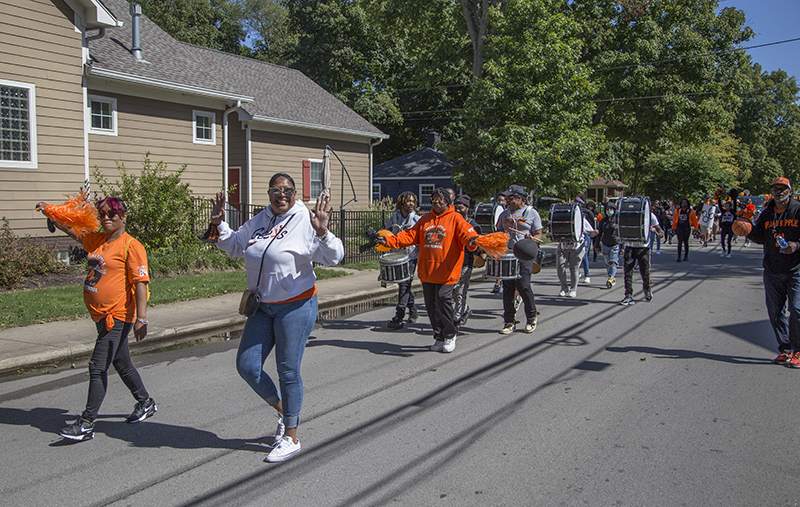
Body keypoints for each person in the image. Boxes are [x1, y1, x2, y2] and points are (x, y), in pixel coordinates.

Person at [207, 172, 344, 463]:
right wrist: (218, 223)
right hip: (263, 306)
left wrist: (322, 232)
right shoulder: (259, 219)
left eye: (287, 190)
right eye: (275, 191)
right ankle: (285, 410)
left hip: (296, 306)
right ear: (268, 193)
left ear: (295, 193)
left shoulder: (306, 219)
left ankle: (291, 437)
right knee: (247, 366)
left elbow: (335, 257)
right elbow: (233, 245)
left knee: (287, 370)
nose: (281, 195)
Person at [34, 197, 156, 442]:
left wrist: (141, 319)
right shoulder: (98, 241)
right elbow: (74, 232)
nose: (106, 218)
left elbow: (141, 284)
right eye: (102, 215)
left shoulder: (131, 246)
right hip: (101, 317)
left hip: (118, 317)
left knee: (97, 366)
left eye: (112, 214)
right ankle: (146, 402)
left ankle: (87, 422)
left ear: (123, 216)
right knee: (121, 363)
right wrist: (53, 214)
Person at [377, 187, 478, 353]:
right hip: (428, 271)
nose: (437, 201)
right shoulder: (424, 220)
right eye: (434, 199)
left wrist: (474, 241)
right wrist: (387, 240)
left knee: (443, 299)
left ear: (448, 201)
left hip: (447, 272)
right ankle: (438, 336)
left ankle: (450, 334)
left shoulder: (456, 219)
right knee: (431, 306)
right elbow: (408, 236)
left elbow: (468, 235)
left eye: (441, 199)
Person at [746, 177, 800, 367]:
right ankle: (785, 350)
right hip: (772, 269)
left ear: (789, 191)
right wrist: (746, 230)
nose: (779, 191)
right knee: (776, 312)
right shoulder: (767, 213)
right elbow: (760, 236)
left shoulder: (797, 210)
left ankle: (798, 350)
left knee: (796, 308)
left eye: (783, 188)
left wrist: (796, 245)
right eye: (776, 188)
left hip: (796, 270)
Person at [496, 185, 543, 334]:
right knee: (508, 288)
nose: (507, 202)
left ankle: (531, 316)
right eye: (506, 199)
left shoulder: (531, 213)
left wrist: (532, 239)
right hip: (508, 255)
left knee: (523, 286)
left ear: (519, 198)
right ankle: (509, 321)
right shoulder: (504, 214)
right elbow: (499, 233)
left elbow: (539, 235)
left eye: (510, 199)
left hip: (524, 254)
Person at [384, 191, 420, 329]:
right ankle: (413, 311)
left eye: (413, 201)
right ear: (402, 202)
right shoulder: (394, 218)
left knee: (405, 284)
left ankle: (399, 316)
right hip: (397, 257)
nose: (411, 204)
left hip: (411, 257)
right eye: (409, 201)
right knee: (404, 284)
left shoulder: (417, 219)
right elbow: (386, 232)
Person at [620, 204, 665, 305]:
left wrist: (660, 233)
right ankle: (628, 294)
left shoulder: (650, 215)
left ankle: (647, 289)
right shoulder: (628, 215)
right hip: (630, 246)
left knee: (645, 272)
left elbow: (658, 228)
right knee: (627, 272)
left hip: (643, 247)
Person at [555, 196, 597, 298]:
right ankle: (564, 288)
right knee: (560, 266)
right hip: (563, 245)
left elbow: (589, 232)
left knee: (574, 268)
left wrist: (594, 233)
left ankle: (573, 289)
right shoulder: (562, 217)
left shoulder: (581, 219)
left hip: (577, 246)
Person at [452, 194, 483, 325]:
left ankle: (457, 316)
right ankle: (464, 309)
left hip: (465, 262)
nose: (458, 211)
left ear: (467, 208)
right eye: (456, 208)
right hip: (452, 262)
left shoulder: (473, 226)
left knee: (460, 290)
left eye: (461, 208)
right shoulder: (451, 223)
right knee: (452, 290)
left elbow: (478, 248)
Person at [595, 201, 621, 289]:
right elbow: (599, 234)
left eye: (611, 209)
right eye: (607, 209)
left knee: (613, 262)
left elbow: (622, 234)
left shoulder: (617, 220)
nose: (609, 211)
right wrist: (596, 245)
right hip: (605, 244)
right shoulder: (603, 221)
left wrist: (623, 247)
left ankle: (611, 278)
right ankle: (610, 277)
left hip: (615, 244)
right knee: (607, 263)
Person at [671, 198, 698, 262]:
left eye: (685, 202)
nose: (683, 204)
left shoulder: (691, 211)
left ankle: (686, 256)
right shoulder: (677, 211)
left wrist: (696, 228)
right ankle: (679, 257)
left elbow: (694, 220)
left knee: (686, 242)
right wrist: (673, 228)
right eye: (682, 202)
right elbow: (674, 220)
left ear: (687, 203)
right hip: (679, 227)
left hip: (687, 227)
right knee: (679, 242)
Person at [490, 194, 507, 294]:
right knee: (498, 262)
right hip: (500, 240)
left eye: (503, 200)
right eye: (499, 200)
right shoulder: (501, 213)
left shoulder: (508, 213)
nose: (501, 202)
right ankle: (497, 283)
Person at [579, 198, 597, 283]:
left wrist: (593, 233)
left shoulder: (586, 213)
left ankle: (587, 275)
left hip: (585, 236)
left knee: (584, 255)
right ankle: (577, 272)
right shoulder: (574, 213)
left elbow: (592, 227)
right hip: (577, 238)